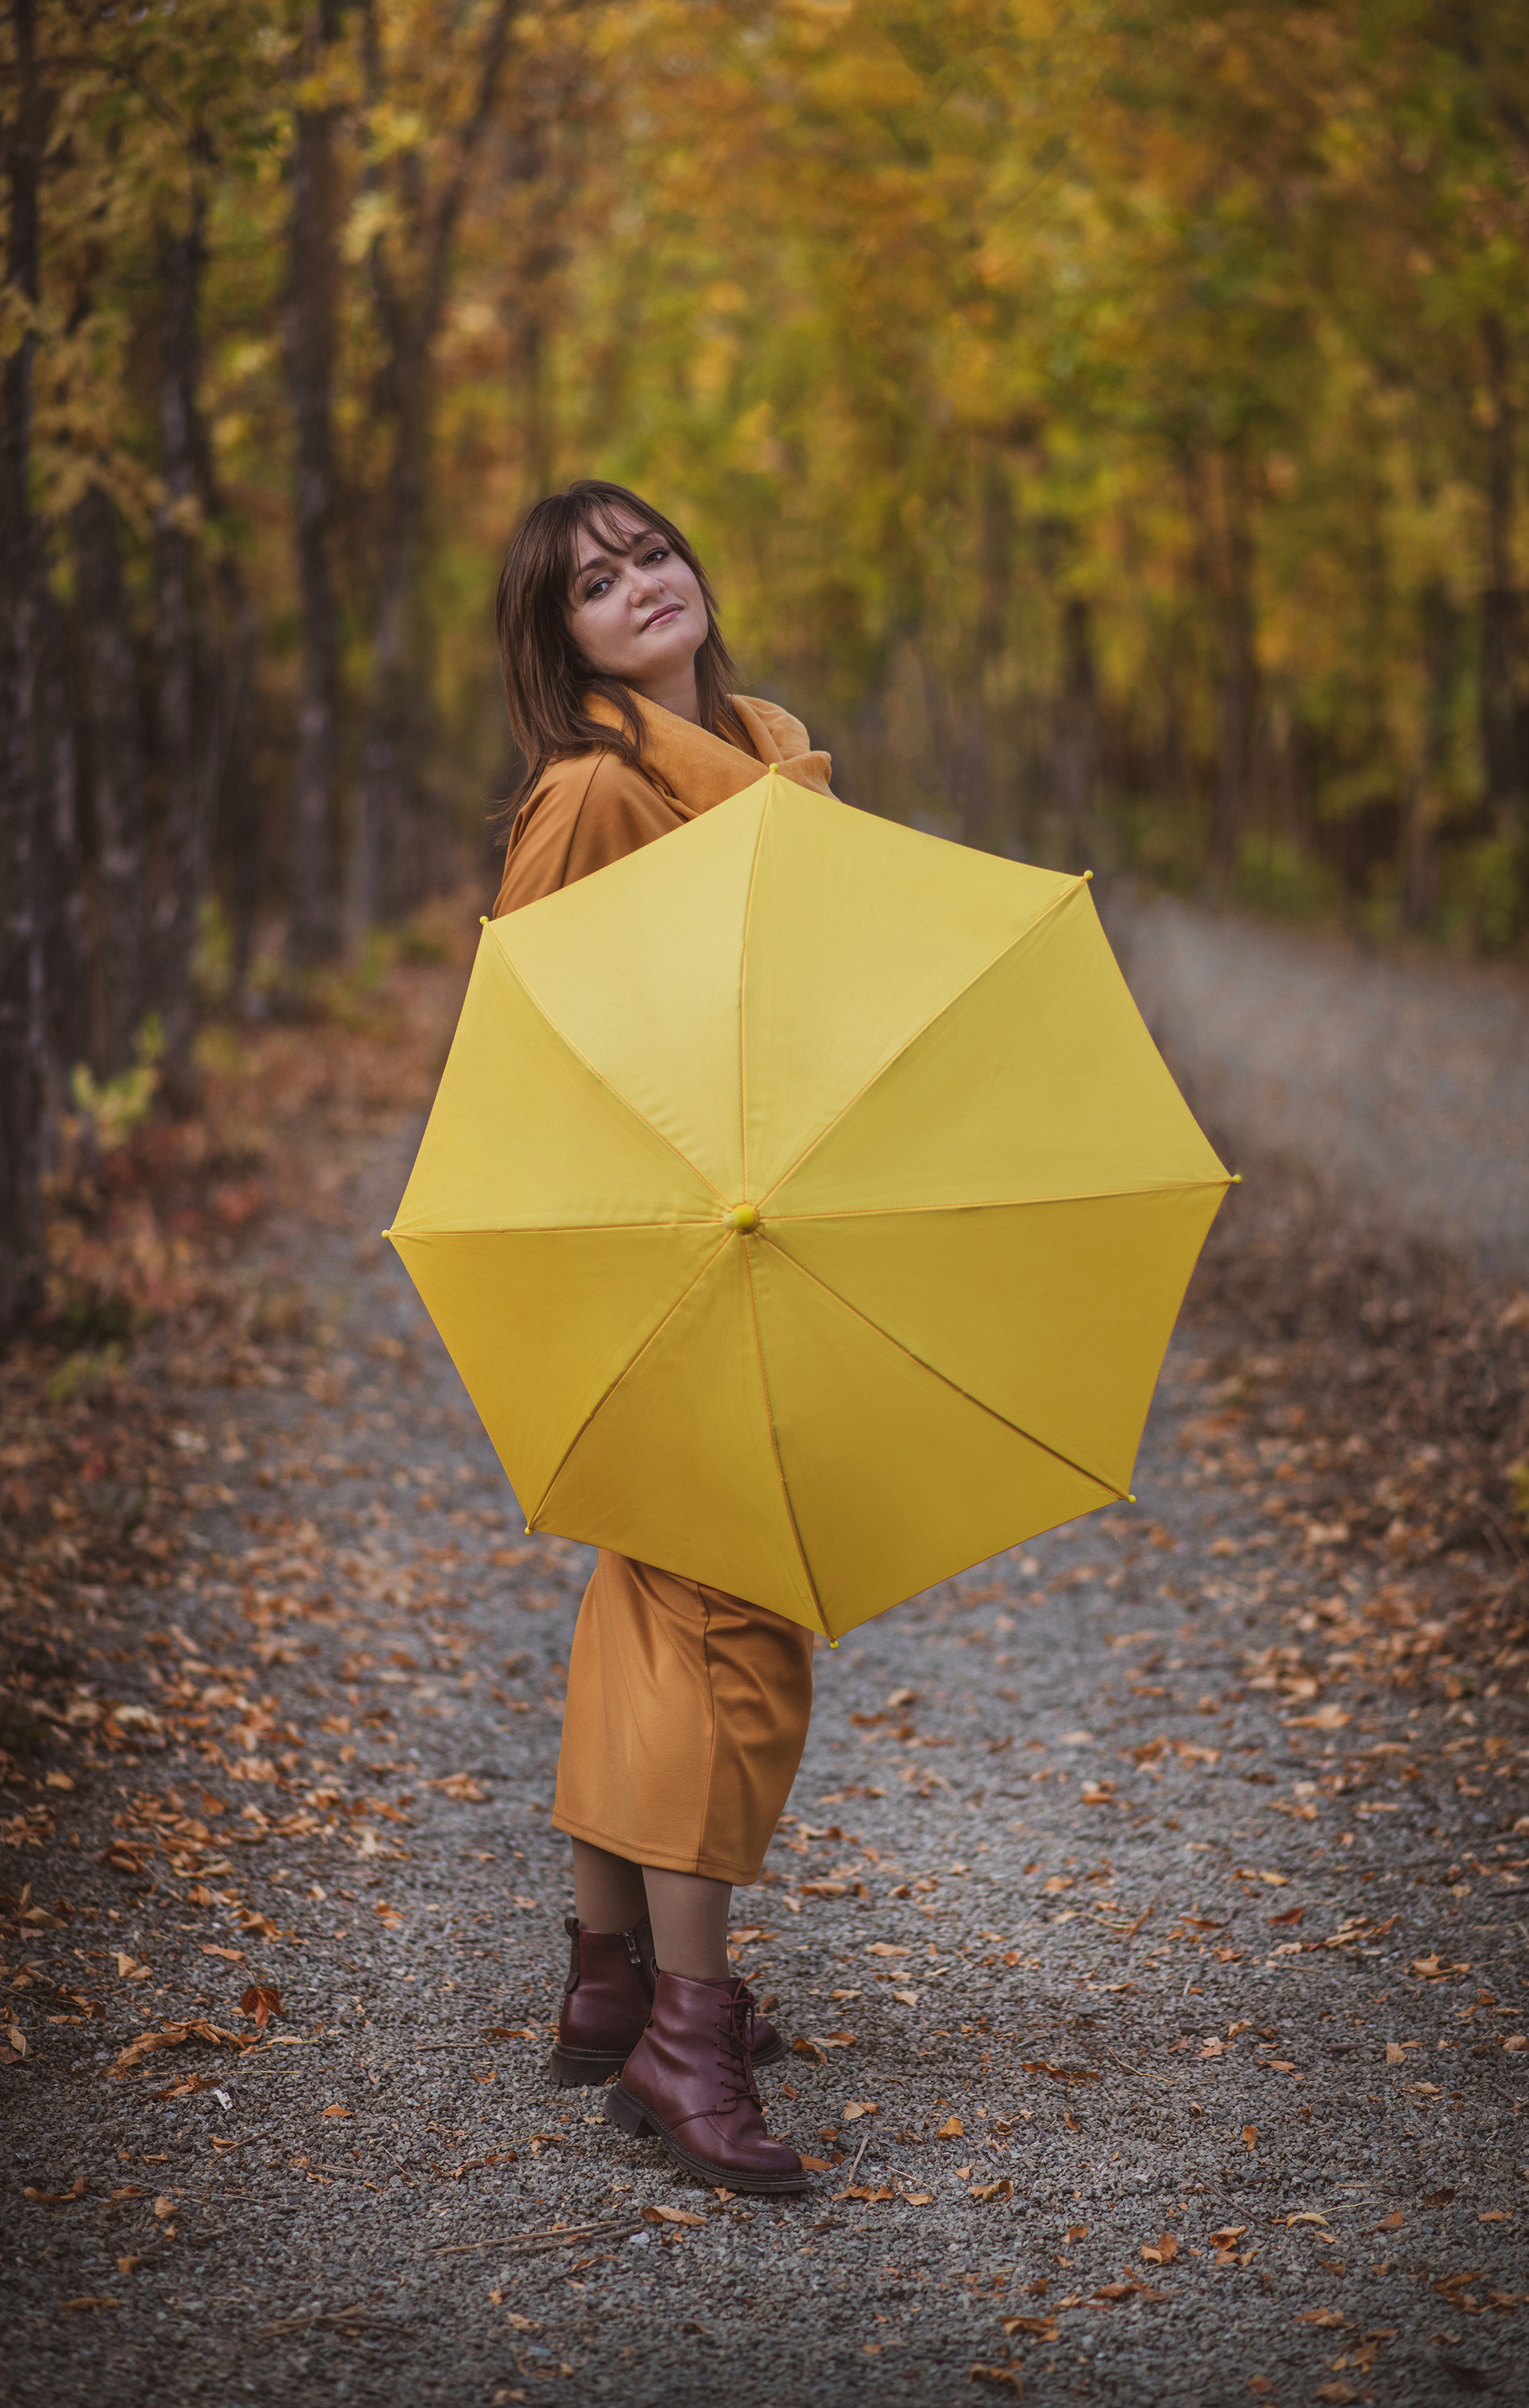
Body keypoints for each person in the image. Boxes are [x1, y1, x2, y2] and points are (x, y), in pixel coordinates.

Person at [492, 482, 836, 2194]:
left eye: (651, 554)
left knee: (651, 1605)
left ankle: (607, 1980)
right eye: (591, 583)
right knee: (731, 1620)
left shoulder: (774, 752)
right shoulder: (589, 790)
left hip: (776, 1213)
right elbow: (530, 1043)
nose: (638, 588)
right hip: (664, 1242)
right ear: (557, 642)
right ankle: (682, 2041)